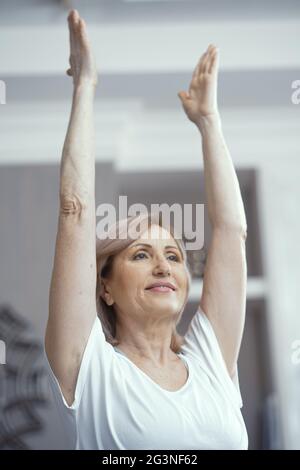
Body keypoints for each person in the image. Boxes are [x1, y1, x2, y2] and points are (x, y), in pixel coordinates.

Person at [44, 9, 248, 450]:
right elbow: (75, 210)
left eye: (173, 256)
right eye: (140, 254)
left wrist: (209, 123)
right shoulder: (90, 365)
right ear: (106, 289)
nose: (163, 266)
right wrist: (85, 87)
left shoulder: (211, 361)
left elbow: (231, 230)